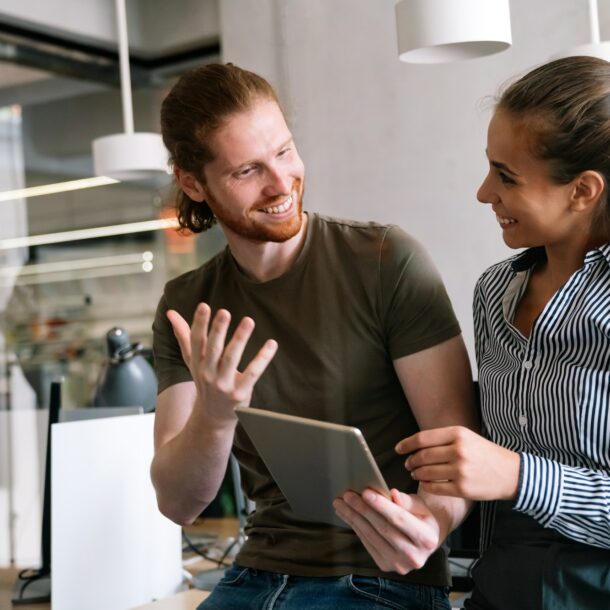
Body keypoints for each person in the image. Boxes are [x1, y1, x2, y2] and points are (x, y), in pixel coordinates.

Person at [150, 63, 477, 610]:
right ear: (193, 183)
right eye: (248, 170)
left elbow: (456, 441)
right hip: (256, 572)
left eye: (284, 151)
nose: (281, 183)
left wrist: (430, 523)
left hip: (382, 576)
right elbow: (178, 503)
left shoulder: (384, 261)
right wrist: (214, 413)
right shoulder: (187, 307)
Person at [334, 56, 610, 610]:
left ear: (582, 190)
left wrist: (517, 474)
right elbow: (477, 476)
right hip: (497, 591)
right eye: (490, 168)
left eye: (506, 176)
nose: (484, 193)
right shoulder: (494, 292)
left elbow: (504, 472)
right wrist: (427, 517)